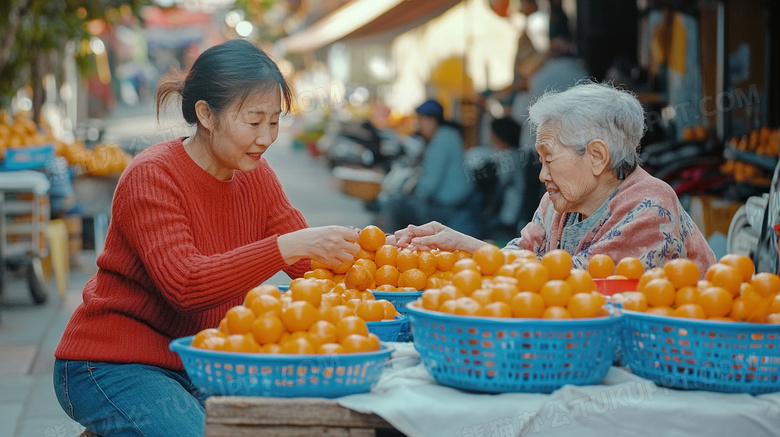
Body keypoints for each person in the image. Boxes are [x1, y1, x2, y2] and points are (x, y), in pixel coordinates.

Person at [52, 39, 360, 436]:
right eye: (253, 121)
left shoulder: (257, 177)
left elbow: (315, 264)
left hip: (202, 360)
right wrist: (291, 245)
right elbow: (185, 285)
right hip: (110, 362)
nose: (267, 137)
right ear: (206, 115)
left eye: (275, 121)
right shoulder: (152, 176)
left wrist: (385, 254)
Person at [391, 82, 716, 274]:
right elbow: (521, 259)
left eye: (550, 159)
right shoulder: (557, 202)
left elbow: (583, 287)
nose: (543, 175)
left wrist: (468, 246)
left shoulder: (650, 206)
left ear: (597, 157)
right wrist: (458, 245)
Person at [381, 99, 477, 235]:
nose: (419, 126)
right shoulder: (449, 134)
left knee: (393, 203)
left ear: (432, 120)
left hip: (448, 208)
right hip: (456, 204)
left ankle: (392, 246)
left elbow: (429, 186)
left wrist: (408, 193)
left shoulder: (442, 140)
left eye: (421, 121)